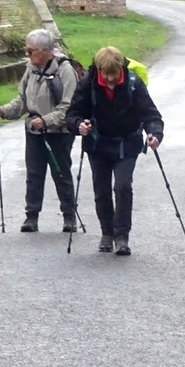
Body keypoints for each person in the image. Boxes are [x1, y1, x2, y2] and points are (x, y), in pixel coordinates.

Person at [65, 46, 164, 256]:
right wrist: (79, 125)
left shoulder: (134, 83)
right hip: (97, 144)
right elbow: (73, 114)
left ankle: (122, 237)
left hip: (127, 144)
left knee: (122, 186)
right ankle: (107, 234)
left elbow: (151, 114)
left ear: (121, 67)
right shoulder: (88, 83)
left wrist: (154, 133)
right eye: (106, 74)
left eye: (114, 74)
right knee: (101, 191)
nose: (110, 79)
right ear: (99, 69)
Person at [0, 28, 80, 233]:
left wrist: (46, 121)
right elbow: (22, 100)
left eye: (30, 51)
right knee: (34, 174)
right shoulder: (31, 69)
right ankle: (31, 216)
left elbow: (69, 107)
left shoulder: (65, 70)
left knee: (61, 173)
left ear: (45, 50)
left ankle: (69, 216)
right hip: (34, 131)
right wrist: (3, 110)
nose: (27, 54)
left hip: (59, 133)